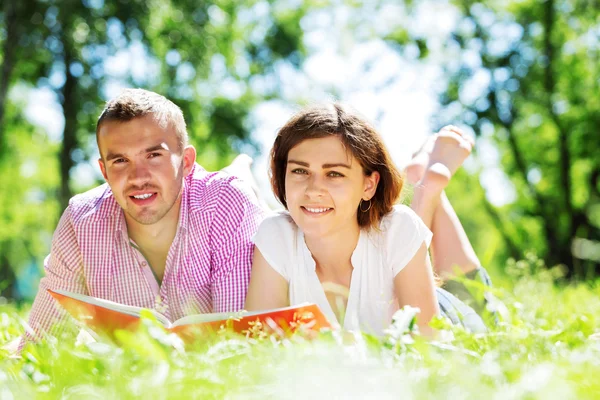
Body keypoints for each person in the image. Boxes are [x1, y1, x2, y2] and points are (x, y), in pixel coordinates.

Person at [23, 88, 264, 343]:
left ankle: (242, 170)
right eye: (120, 161)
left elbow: (239, 341)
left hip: (237, 205)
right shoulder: (81, 221)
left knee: (261, 209)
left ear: (186, 161)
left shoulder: (226, 203)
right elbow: (41, 341)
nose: (138, 177)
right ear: (104, 171)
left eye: (153, 155)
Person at [245, 103, 486, 336]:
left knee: (478, 298)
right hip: (403, 288)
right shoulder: (275, 234)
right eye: (300, 171)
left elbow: (426, 345)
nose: (313, 190)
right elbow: (260, 346)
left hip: (451, 317)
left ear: (369, 185)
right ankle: (427, 185)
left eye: (334, 174)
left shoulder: (399, 228)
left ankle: (428, 191)